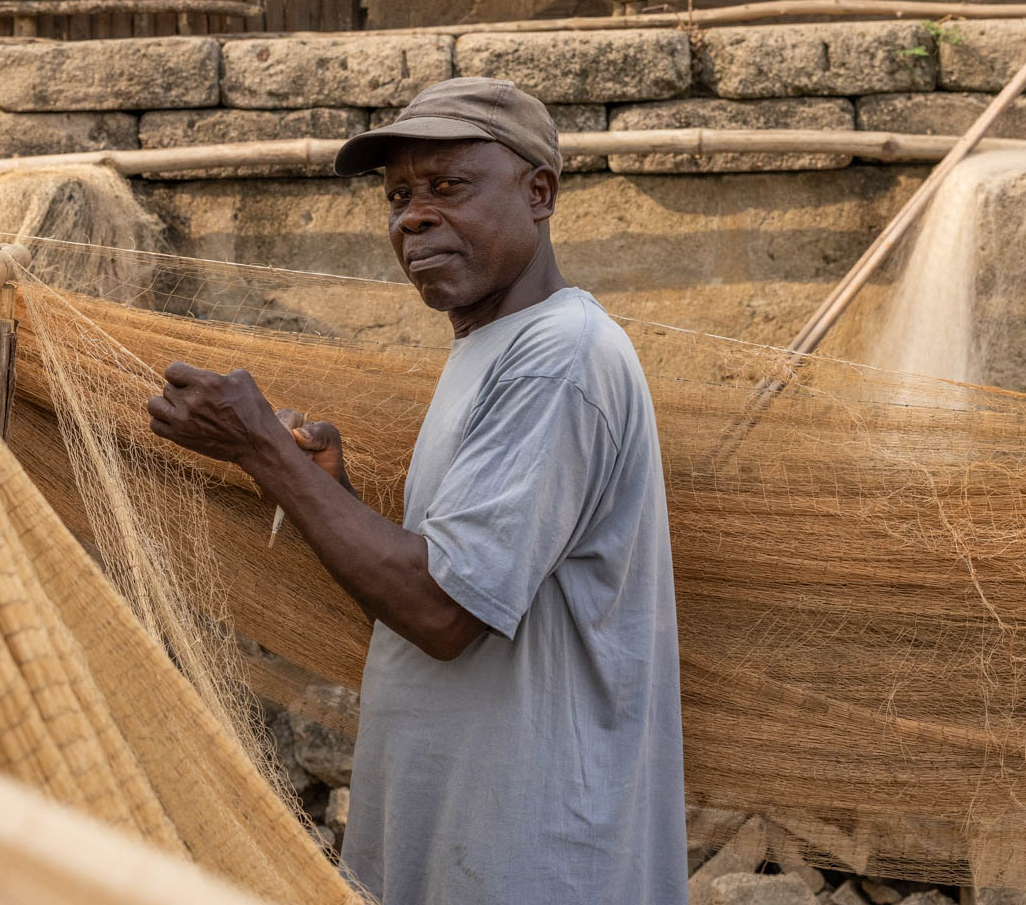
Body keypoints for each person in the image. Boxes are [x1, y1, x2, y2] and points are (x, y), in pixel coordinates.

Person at [145, 77, 687, 905]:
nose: (412, 217)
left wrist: (262, 448)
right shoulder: (494, 349)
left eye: (447, 187)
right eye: (398, 196)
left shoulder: (559, 358)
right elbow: (435, 592)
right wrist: (329, 492)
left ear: (538, 192)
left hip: (531, 858)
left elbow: (443, 615)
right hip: (462, 844)